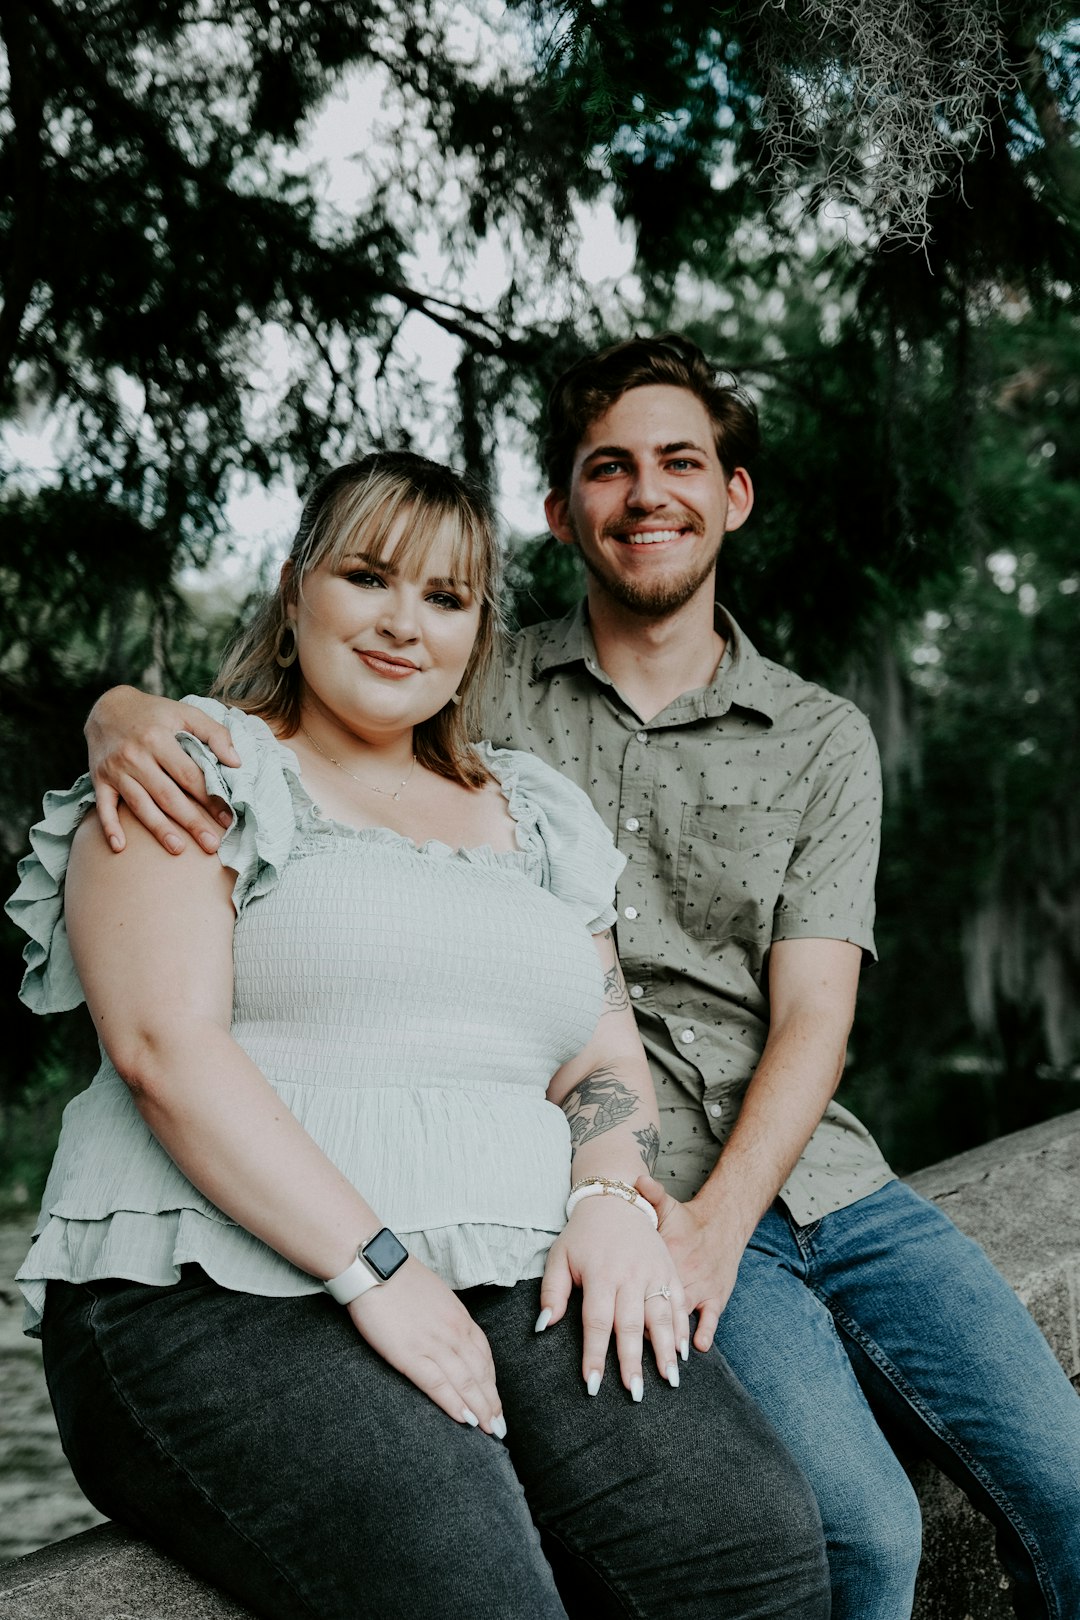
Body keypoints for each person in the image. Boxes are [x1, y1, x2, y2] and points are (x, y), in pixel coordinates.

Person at [81, 335, 1080, 1620]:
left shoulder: (822, 733)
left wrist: (708, 1222)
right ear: (562, 513)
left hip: (808, 1172)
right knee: (860, 1535)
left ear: (736, 495)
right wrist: (119, 709)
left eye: (681, 461)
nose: (646, 492)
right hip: (581, 1195)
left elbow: (815, 1015)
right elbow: (293, 700)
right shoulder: (470, 683)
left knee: (1061, 1480)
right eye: (609, 468)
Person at [7, 451, 831, 1620]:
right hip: (214, 1282)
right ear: (296, 592)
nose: (405, 624)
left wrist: (608, 1198)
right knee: (476, 1592)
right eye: (368, 578)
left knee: (746, 1545)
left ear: (477, 635)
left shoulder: (535, 811)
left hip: (514, 1263)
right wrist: (374, 1267)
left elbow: (601, 1054)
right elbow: (164, 1053)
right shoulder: (193, 766)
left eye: (446, 599)